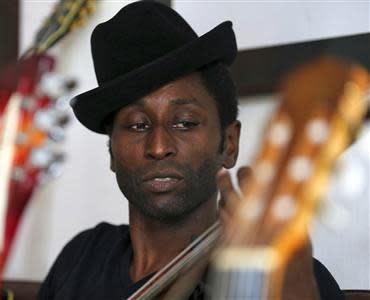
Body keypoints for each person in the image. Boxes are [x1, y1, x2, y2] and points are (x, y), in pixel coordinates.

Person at [38, 2, 344, 299]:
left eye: (185, 123)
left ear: (230, 144)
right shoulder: (82, 260)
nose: (158, 147)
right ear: (111, 153)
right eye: (137, 125)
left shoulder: (286, 277)